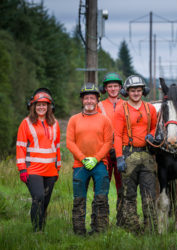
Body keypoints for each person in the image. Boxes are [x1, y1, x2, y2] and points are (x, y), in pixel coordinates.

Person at [66, 83, 113, 235]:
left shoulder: (104, 120)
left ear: (98, 100)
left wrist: (96, 158)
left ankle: (99, 230)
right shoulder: (74, 119)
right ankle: (79, 232)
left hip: (100, 165)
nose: (89, 101)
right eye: (86, 98)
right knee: (79, 199)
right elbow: (69, 142)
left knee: (101, 198)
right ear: (82, 100)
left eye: (92, 98)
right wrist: (83, 158)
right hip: (80, 165)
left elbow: (108, 142)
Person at [113, 75, 158, 232]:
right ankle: (132, 228)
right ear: (127, 92)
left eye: (139, 90)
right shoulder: (121, 109)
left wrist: (151, 134)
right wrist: (119, 157)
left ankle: (151, 228)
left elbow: (155, 127)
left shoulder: (150, 108)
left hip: (146, 155)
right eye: (133, 90)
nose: (136, 93)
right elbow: (117, 135)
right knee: (129, 194)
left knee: (149, 194)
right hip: (128, 153)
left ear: (143, 91)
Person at [16, 88, 61, 232]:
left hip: (50, 170)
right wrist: (22, 168)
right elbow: (21, 147)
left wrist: (57, 168)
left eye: (44, 104)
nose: (41, 107)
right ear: (33, 106)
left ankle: (42, 228)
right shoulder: (26, 123)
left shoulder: (55, 123)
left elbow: (57, 147)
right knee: (38, 197)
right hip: (33, 169)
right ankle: (37, 231)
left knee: (45, 202)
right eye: (38, 104)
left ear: (49, 107)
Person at [98, 72, 124, 222]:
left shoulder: (126, 105)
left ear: (120, 88)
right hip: (104, 153)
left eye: (115, 86)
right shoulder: (99, 105)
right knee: (102, 187)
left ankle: (122, 218)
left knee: (123, 188)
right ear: (105, 89)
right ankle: (102, 219)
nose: (113, 89)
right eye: (110, 86)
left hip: (121, 152)